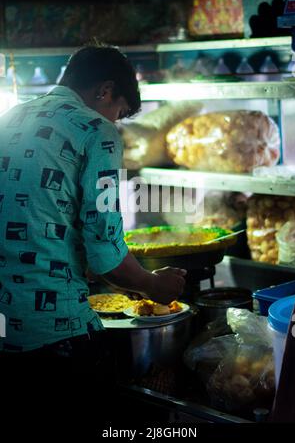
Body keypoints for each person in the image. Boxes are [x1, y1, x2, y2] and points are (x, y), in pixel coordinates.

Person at [0, 45, 186, 434]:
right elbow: (105, 254)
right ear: (104, 91)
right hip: (56, 334)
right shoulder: (95, 129)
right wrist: (154, 285)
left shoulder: (12, 116)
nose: (113, 123)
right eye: (118, 113)